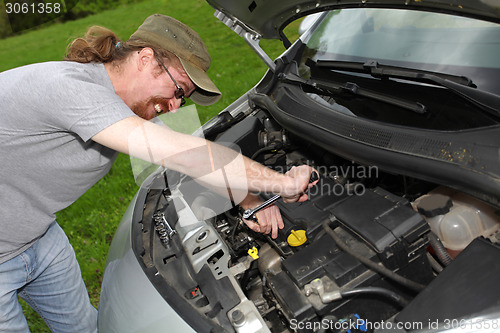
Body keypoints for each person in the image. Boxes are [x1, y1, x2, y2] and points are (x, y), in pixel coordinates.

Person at [0, 14, 316, 332]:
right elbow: (187, 156)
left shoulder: (131, 102)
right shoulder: (72, 89)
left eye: (183, 97)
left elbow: (188, 152)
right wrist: (282, 182)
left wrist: (249, 199)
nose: (176, 106)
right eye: (178, 89)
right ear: (146, 58)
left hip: (40, 237)